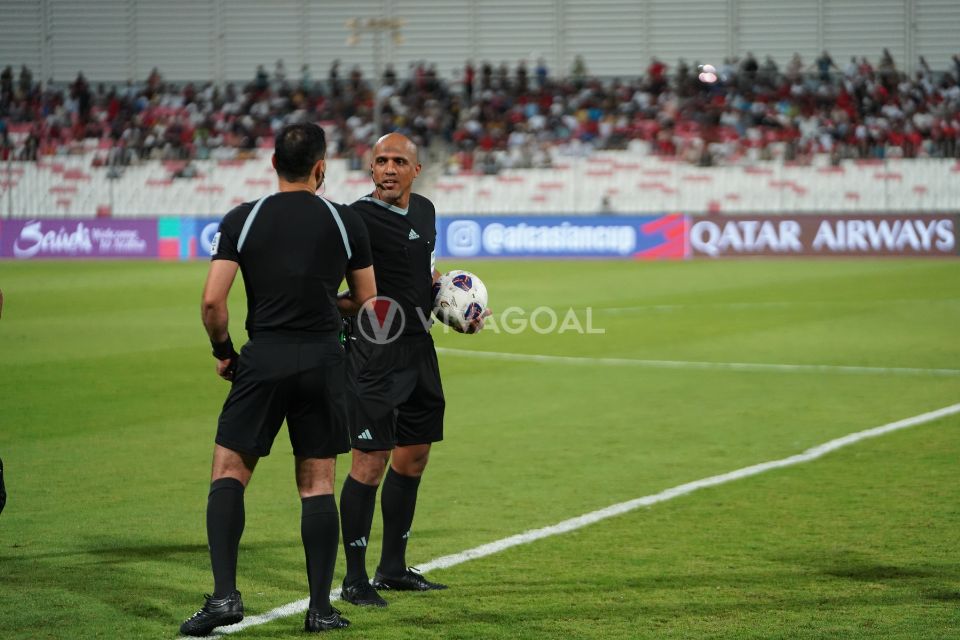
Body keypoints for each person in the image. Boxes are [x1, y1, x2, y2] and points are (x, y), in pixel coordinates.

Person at [179, 123, 376, 636]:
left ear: (273, 164)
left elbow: (212, 302)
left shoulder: (243, 219)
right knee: (316, 484)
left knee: (228, 473)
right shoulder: (344, 220)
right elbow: (367, 302)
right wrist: (324, 303)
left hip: (262, 359)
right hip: (321, 362)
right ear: (321, 167)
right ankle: (320, 609)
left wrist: (225, 353)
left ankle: (224, 598)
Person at [337, 133, 489, 608]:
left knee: (415, 454)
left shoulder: (425, 210)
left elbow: (422, 274)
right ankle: (355, 578)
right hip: (374, 354)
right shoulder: (354, 219)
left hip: (419, 348)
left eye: (398, 161)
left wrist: (451, 303)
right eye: (380, 160)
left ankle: (393, 568)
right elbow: (333, 291)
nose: (387, 168)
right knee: (370, 461)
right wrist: (347, 312)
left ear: (415, 170)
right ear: (370, 168)